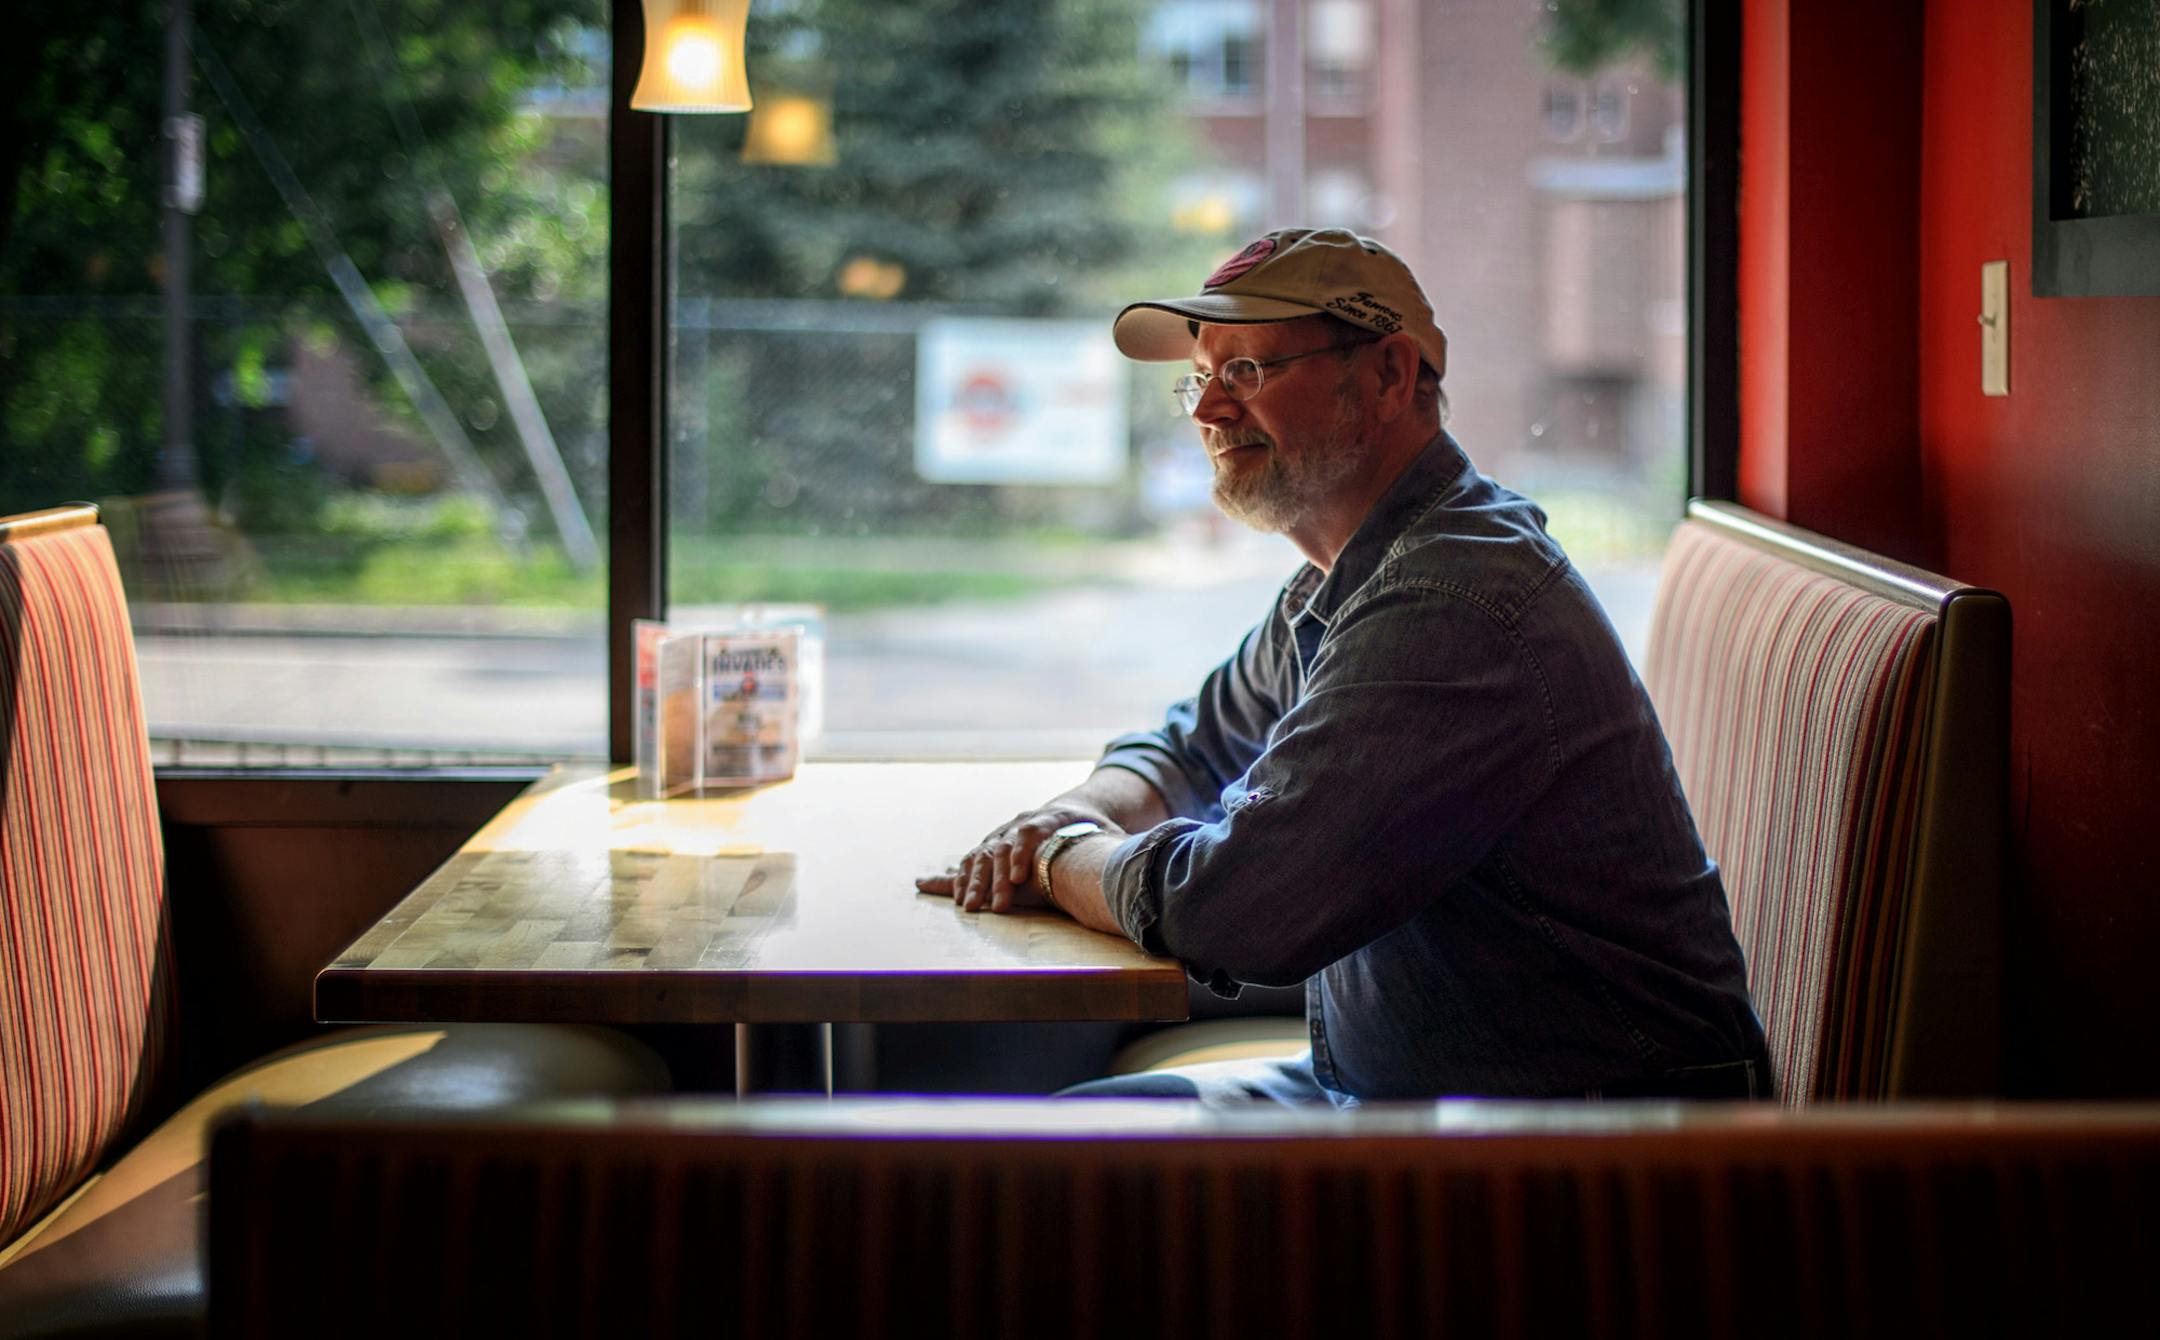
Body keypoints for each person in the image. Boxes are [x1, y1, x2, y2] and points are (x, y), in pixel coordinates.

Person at [915, 228, 1769, 1105]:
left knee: (1033, 1179)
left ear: (1390, 376)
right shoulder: (1348, 577)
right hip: (1409, 1095)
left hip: (1585, 1150)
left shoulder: (1453, 599)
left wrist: (1056, 856)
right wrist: (1068, 813)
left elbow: (1237, 911)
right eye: (1200, 377)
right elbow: (1190, 747)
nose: (1209, 410)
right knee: (1053, 1145)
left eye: (1247, 370)